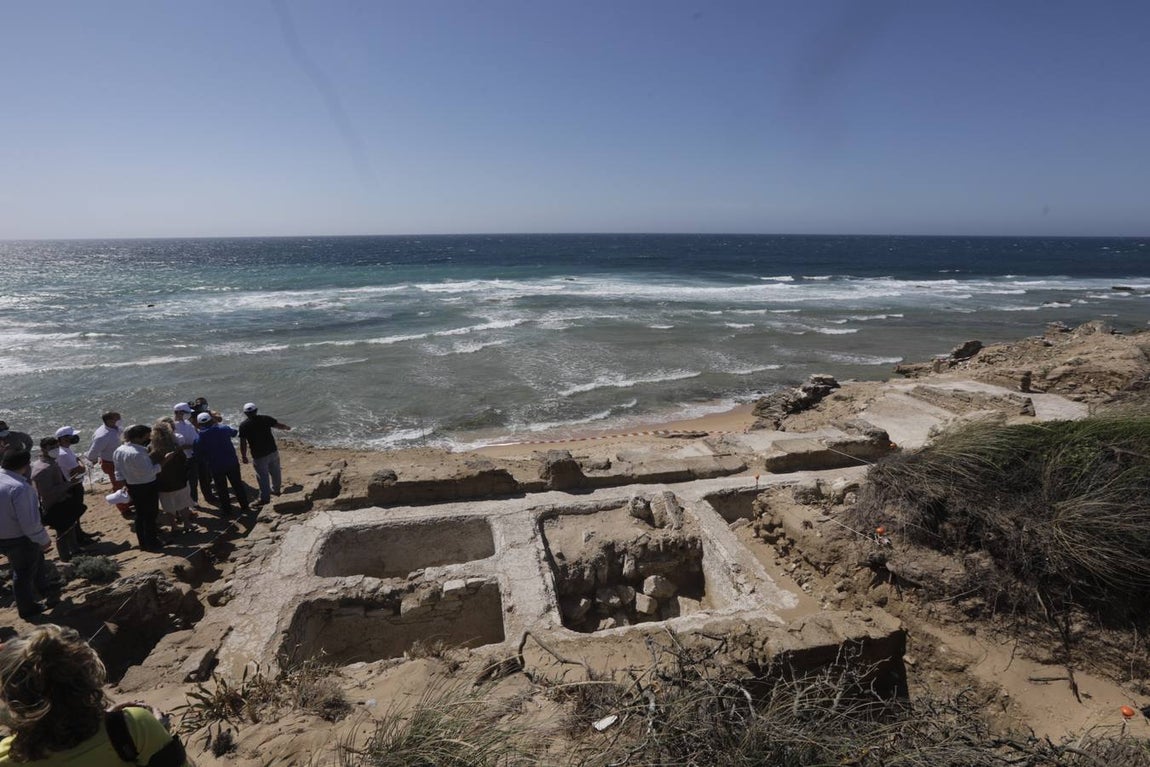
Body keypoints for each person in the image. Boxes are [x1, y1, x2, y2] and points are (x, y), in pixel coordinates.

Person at [0, 624, 188, 767]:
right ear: (88, 678)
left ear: (11, 699)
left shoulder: (6, 758)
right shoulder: (134, 727)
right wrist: (159, 729)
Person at [0, 450, 57, 620]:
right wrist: (44, 539)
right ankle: (28, 609)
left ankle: (43, 587)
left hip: (3, 536)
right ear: (25, 466)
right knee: (22, 573)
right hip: (19, 538)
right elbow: (29, 523)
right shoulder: (20, 488)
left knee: (32, 563)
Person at [30, 438, 85, 562]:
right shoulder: (43, 468)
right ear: (43, 449)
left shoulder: (50, 462)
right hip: (55, 504)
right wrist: (70, 483)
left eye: (56, 447)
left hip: (62, 500)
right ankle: (65, 557)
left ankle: (75, 550)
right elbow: (47, 491)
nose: (55, 450)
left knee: (69, 526)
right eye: (52, 448)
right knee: (62, 532)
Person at [112, 425, 162, 551]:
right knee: (150, 515)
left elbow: (118, 472)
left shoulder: (119, 450)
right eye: (147, 436)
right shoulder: (139, 453)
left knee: (140, 515)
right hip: (146, 485)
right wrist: (164, 462)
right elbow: (150, 472)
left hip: (131, 485)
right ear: (138, 437)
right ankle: (152, 542)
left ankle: (143, 542)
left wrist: (124, 485)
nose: (149, 439)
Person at [192, 413, 250, 517]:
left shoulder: (199, 439)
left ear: (199, 424)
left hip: (215, 466)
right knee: (237, 485)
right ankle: (245, 506)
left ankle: (227, 510)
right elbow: (234, 432)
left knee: (221, 489)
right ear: (212, 420)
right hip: (231, 462)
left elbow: (198, 455)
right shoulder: (223, 429)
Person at [238, 402, 291, 507]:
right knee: (276, 471)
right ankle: (276, 490)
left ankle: (265, 498)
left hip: (259, 455)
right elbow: (279, 425)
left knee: (262, 476)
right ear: (256, 410)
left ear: (245, 413)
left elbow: (243, 442)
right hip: (272, 450)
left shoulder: (244, 425)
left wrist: (244, 456)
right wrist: (287, 428)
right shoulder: (265, 419)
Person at [53, 426, 98, 546]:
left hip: (75, 484)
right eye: (71, 436)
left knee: (76, 513)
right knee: (74, 513)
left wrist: (80, 463)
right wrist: (82, 463)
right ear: (63, 438)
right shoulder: (63, 453)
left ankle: (80, 534)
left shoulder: (66, 449)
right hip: (72, 486)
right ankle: (79, 539)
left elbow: (78, 463)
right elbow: (79, 469)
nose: (75, 438)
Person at [85, 412, 132, 518]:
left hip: (121, 461)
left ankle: (128, 501)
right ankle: (124, 509)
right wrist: (94, 460)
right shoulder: (102, 435)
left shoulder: (116, 427)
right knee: (118, 486)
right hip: (112, 463)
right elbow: (92, 453)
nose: (120, 419)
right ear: (109, 421)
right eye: (117, 418)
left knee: (127, 483)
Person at [150, 422, 194, 534]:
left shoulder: (152, 449)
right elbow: (184, 461)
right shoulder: (175, 446)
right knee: (183, 504)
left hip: (163, 483)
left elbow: (151, 466)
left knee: (168, 507)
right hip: (179, 480)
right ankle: (187, 524)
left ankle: (174, 526)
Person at [171, 403, 214, 507]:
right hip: (188, 457)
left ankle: (209, 496)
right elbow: (177, 445)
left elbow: (196, 433)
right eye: (186, 412)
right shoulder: (173, 426)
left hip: (198, 454)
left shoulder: (187, 422)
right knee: (192, 481)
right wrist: (193, 446)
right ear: (179, 412)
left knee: (205, 477)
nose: (189, 414)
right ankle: (193, 501)